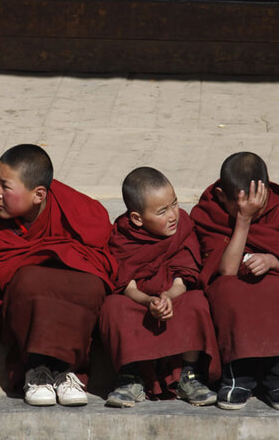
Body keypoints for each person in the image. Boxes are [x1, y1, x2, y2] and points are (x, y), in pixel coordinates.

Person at [0, 144, 115, 407]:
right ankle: (36, 370)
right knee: (28, 280)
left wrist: (52, 254)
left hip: (68, 286)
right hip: (29, 287)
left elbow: (99, 245)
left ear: (38, 194)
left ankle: (66, 369)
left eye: (5, 186)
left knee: (89, 285)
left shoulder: (75, 208)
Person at [190, 152, 279, 411]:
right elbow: (225, 270)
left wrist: (271, 260)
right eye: (237, 206)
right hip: (231, 281)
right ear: (222, 196)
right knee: (226, 290)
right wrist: (244, 221)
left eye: (256, 204)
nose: (249, 210)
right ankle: (237, 371)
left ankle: (278, 369)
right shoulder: (210, 212)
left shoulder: (277, 206)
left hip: (271, 282)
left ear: (266, 193)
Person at [100, 167, 220, 408]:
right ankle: (130, 378)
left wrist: (168, 296)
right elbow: (127, 286)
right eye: (162, 211)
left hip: (174, 297)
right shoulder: (123, 235)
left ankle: (189, 376)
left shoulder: (183, 226)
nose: (173, 215)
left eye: (174, 204)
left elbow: (182, 279)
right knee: (113, 307)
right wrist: (149, 302)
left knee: (197, 301)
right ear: (137, 218)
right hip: (140, 301)